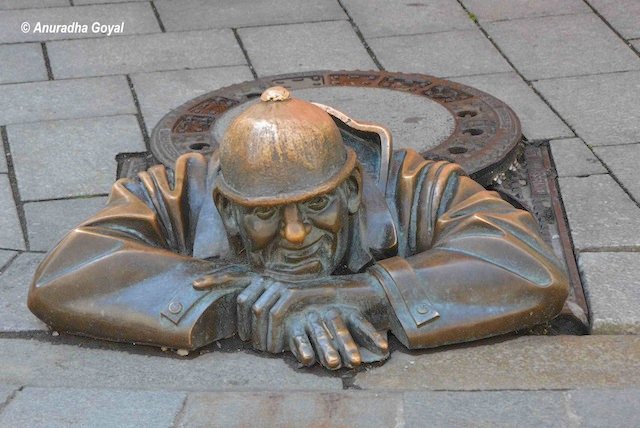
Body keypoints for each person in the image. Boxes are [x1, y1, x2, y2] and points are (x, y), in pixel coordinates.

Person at [28, 86, 568, 370]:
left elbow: (528, 264)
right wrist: (241, 304)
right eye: (264, 214)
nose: (293, 234)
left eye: (315, 207)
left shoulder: (412, 185)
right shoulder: (179, 190)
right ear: (227, 206)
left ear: (353, 190)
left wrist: (364, 294)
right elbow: (66, 272)